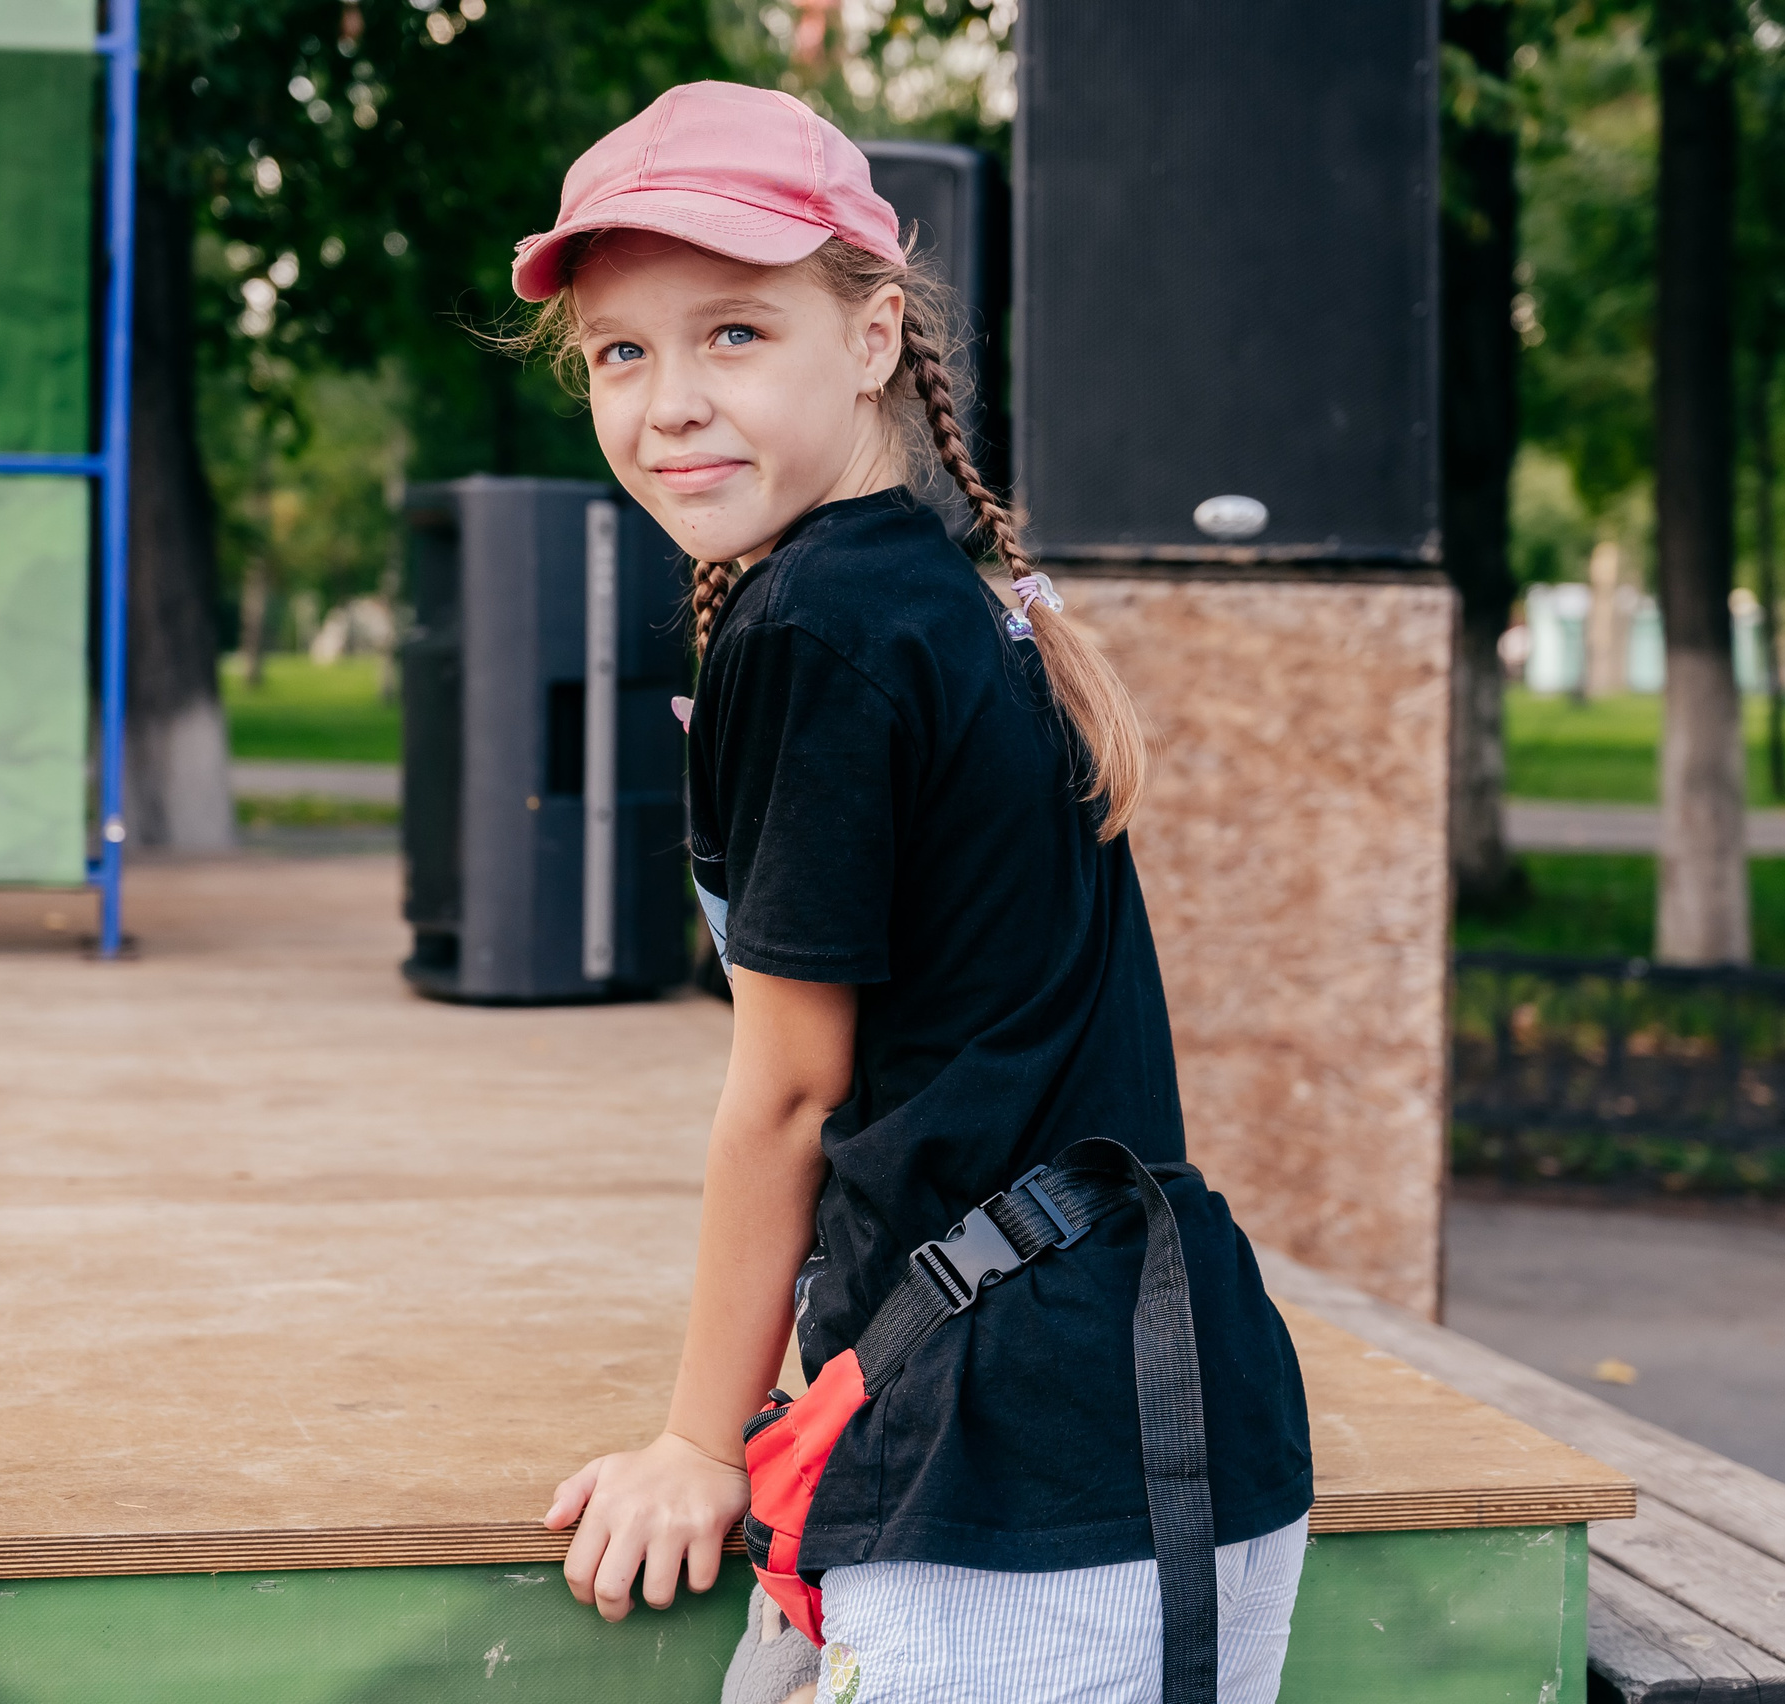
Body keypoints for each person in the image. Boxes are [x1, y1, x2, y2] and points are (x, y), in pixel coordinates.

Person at [511, 83, 1314, 1704]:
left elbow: (792, 1090)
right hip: (1142, 1407)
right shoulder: (933, 595)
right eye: (621, 350)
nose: (668, 401)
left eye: (733, 332)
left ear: (872, 336)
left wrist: (695, 1438)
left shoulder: (811, 629)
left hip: (1022, 1486)